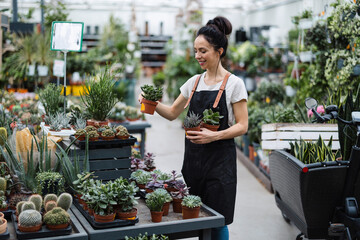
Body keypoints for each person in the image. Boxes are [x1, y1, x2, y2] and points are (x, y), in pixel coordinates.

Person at [139, 16, 248, 240]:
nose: (197, 56)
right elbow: (171, 113)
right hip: (194, 162)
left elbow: (243, 126)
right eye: (196, 50)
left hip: (220, 164)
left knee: (218, 219)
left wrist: (214, 135)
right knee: (198, 216)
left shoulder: (234, 84)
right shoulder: (194, 82)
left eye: (203, 51)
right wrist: (151, 102)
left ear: (219, 51)